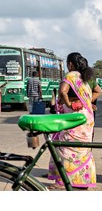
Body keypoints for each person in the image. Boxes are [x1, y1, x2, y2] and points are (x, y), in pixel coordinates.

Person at [47, 52, 97, 189]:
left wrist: (69, 104)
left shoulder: (70, 76)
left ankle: (63, 182)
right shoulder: (85, 77)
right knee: (83, 150)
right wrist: (87, 101)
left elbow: (63, 92)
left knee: (65, 149)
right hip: (87, 118)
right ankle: (82, 181)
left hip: (74, 118)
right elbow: (99, 90)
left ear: (70, 64)